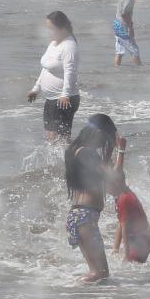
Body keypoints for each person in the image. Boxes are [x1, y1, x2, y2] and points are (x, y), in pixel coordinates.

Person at [63, 114, 124, 282]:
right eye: (107, 138)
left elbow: (109, 185)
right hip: (85, 217)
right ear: (99, 133)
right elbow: (115, 179)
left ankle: (73, 294)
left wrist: (107, 155)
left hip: (79, 217)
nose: (106, 143)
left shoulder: (76, 152)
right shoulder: (88, 153)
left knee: (98, 273)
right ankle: (72, 293)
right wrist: (121, 151)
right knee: (100, 274)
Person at [27, 11, 80, 142]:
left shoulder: (69, 46)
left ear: (62, 28)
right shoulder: (54, 44)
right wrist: (36, 88)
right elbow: (46, 68)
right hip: (52, 100)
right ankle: (60, 162)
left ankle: (71, 160)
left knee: (60, 139)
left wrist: (65, 94)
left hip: (63, 99)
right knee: (51, 139)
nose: (48, 32)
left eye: (51, 29)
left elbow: (70, 72)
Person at [112, 161, 150, 265]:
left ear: (116, 183)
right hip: (141, 239)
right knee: (130, 268)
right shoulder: (122, 194)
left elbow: (125, 229)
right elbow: (121, 222)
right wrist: (115, 248)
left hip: (142, 242)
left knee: (127, 269)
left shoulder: (124, 199)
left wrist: (126, 256)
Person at [113, 0, 150, 66]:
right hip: (122, 26)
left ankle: (116, 69)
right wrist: (130, 28)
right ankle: (139, 70)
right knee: (134, 51)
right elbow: (124, 14)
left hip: (117, 23)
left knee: (119, 51)